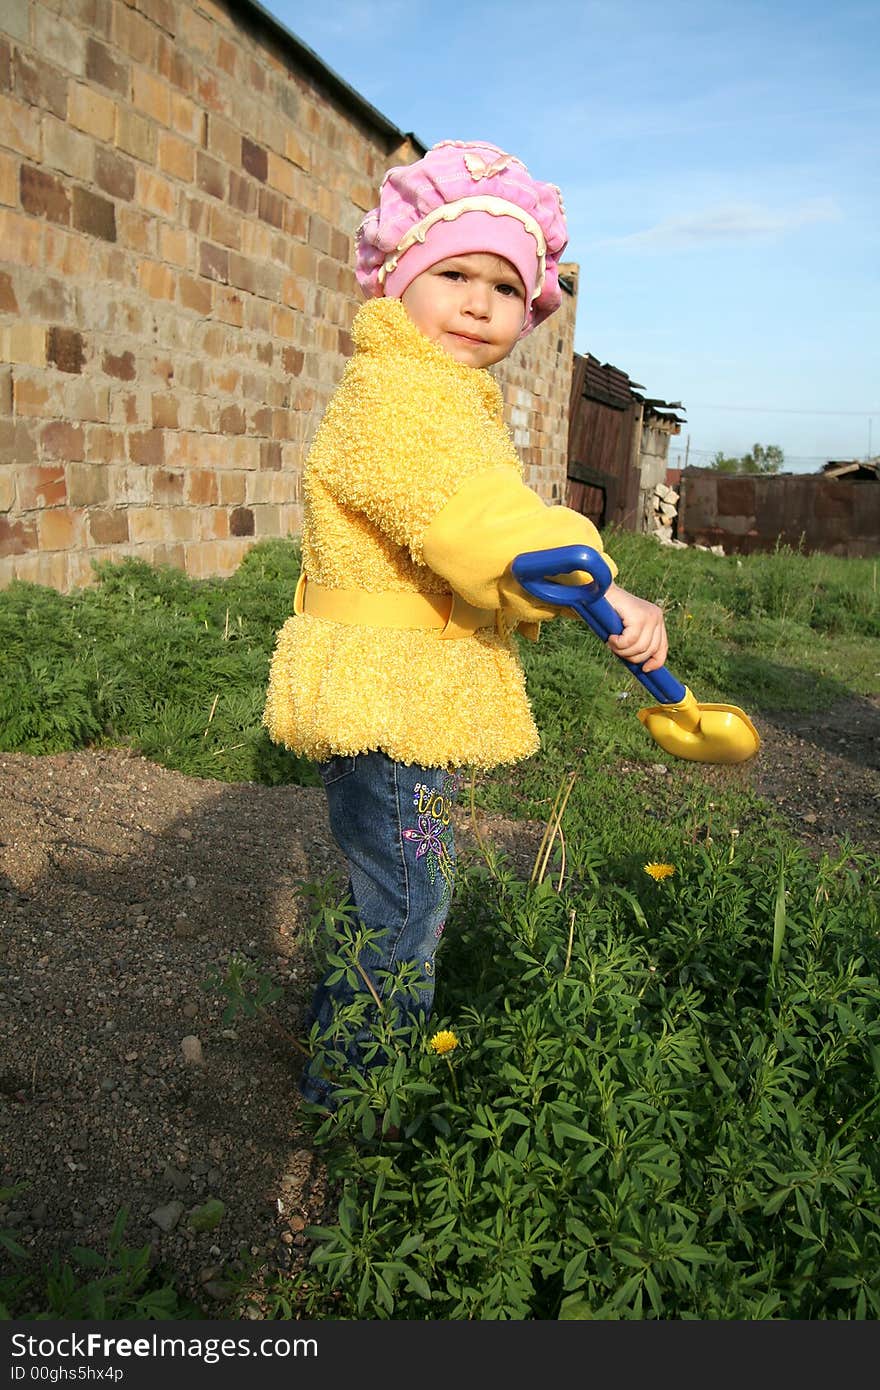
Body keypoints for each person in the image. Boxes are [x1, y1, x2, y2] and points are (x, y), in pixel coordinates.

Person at [262, 139, 668, 1113]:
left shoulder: (445, 397)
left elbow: (480, 542)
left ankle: (348, 1051)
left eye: (503, 287)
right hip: (386, 693)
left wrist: (551, 584)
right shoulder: (396, 396)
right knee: (408, 904)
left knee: (399, 896)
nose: (479, 303)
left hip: (406, 690)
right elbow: (473, 524)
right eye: (453, 274)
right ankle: (355, 1100)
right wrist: (596, 579)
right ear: (399, 279)